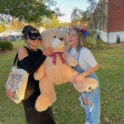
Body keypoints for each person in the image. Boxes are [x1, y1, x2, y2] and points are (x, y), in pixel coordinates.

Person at [17, 25, 56, 124]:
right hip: (28, 92)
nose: (36, 39)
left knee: (48, 117)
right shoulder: (23, 50)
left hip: (41, 90)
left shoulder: (40, 52)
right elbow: (30, 69)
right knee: (34, 119)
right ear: (26, 39)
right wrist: (44, 55)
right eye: (32, 37)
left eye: (38, 37)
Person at [67, 27, 100, 124]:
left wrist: (82, 75)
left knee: (93, 104)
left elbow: (95, 67)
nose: (70, 37)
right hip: (81, 83)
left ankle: (94, 122)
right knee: (85, 102)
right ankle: (89, 121)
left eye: (73, 35)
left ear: (79, 38)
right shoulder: (68, 51)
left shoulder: (84, 51)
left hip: (90, 81)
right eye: (69, 35)